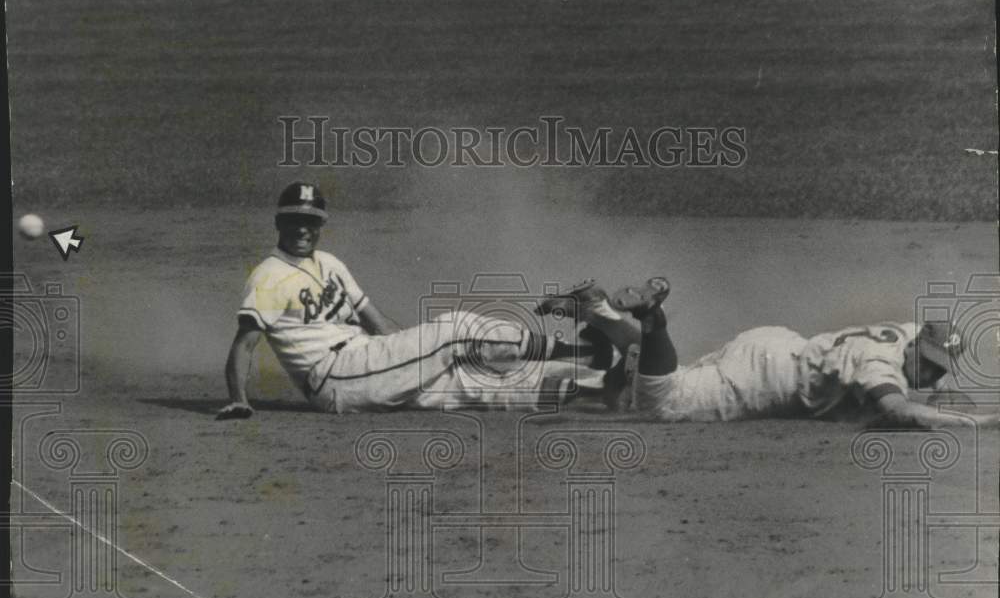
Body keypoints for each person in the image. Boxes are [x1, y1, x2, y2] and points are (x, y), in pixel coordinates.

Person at [217, 182, 599, 419]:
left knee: (472, 384)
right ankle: (580, 351)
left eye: (311, 221)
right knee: (456, 330)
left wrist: (408, 352)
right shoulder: (268, 276)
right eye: (295, 219)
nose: (303, 228)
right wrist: (239, 400)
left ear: (320, 225)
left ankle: (605, 386)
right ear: (279, 222)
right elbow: (245, 344)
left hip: (369, 364)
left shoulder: (330, 263)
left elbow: (375, 322)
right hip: (334, 378)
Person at [535, 277, 999, 428]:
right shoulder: (878, 364)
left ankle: (598, 310)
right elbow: (899, 412)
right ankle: (654, 320)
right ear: (916, 345)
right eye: (927, 363)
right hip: (763, 379)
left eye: (938, 365)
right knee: (665, 403)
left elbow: (931, 373)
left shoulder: (908, 333)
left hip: (774, 344)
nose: (930, 374)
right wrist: (977, 423)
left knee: (672, 379)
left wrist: (941, 385)